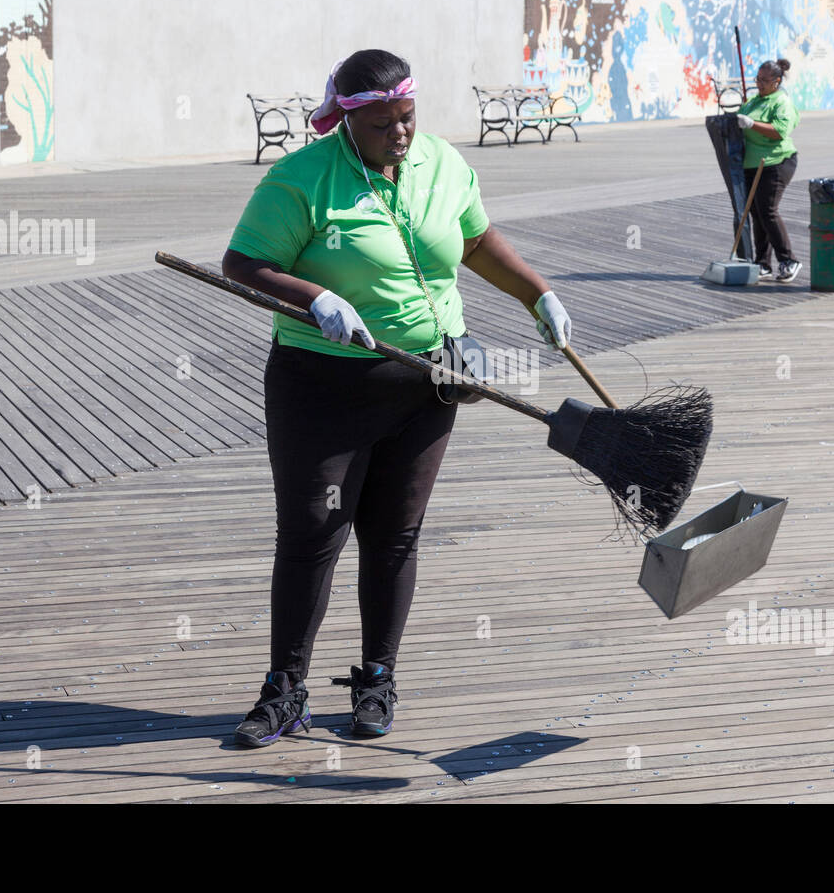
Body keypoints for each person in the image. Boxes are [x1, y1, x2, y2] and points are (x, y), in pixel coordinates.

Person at [221, 49, 573, 746]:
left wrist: (539, 293)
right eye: (383, 124)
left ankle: (377, 680)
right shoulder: (302, 179)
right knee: (313, 535)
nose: (400, 134)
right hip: (322, 387)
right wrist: (314, 296)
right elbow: (243, 263)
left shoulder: (443, 162)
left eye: (407, 118)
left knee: (394, 535)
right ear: (348, 121)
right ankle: (284, 690)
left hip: (427, 383)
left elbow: (472, 242)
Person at [735, 58, 801, 283]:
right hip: (753, 164)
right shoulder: (753, 101)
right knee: (756, 212)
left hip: (776, 162)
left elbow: (780, 130)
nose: (759, 84)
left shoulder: (781, 101)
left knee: (768, 210)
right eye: (758, 79)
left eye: (765, 80)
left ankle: (789, 260)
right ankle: (763, 263)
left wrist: (752, 124)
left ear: (777, 81)